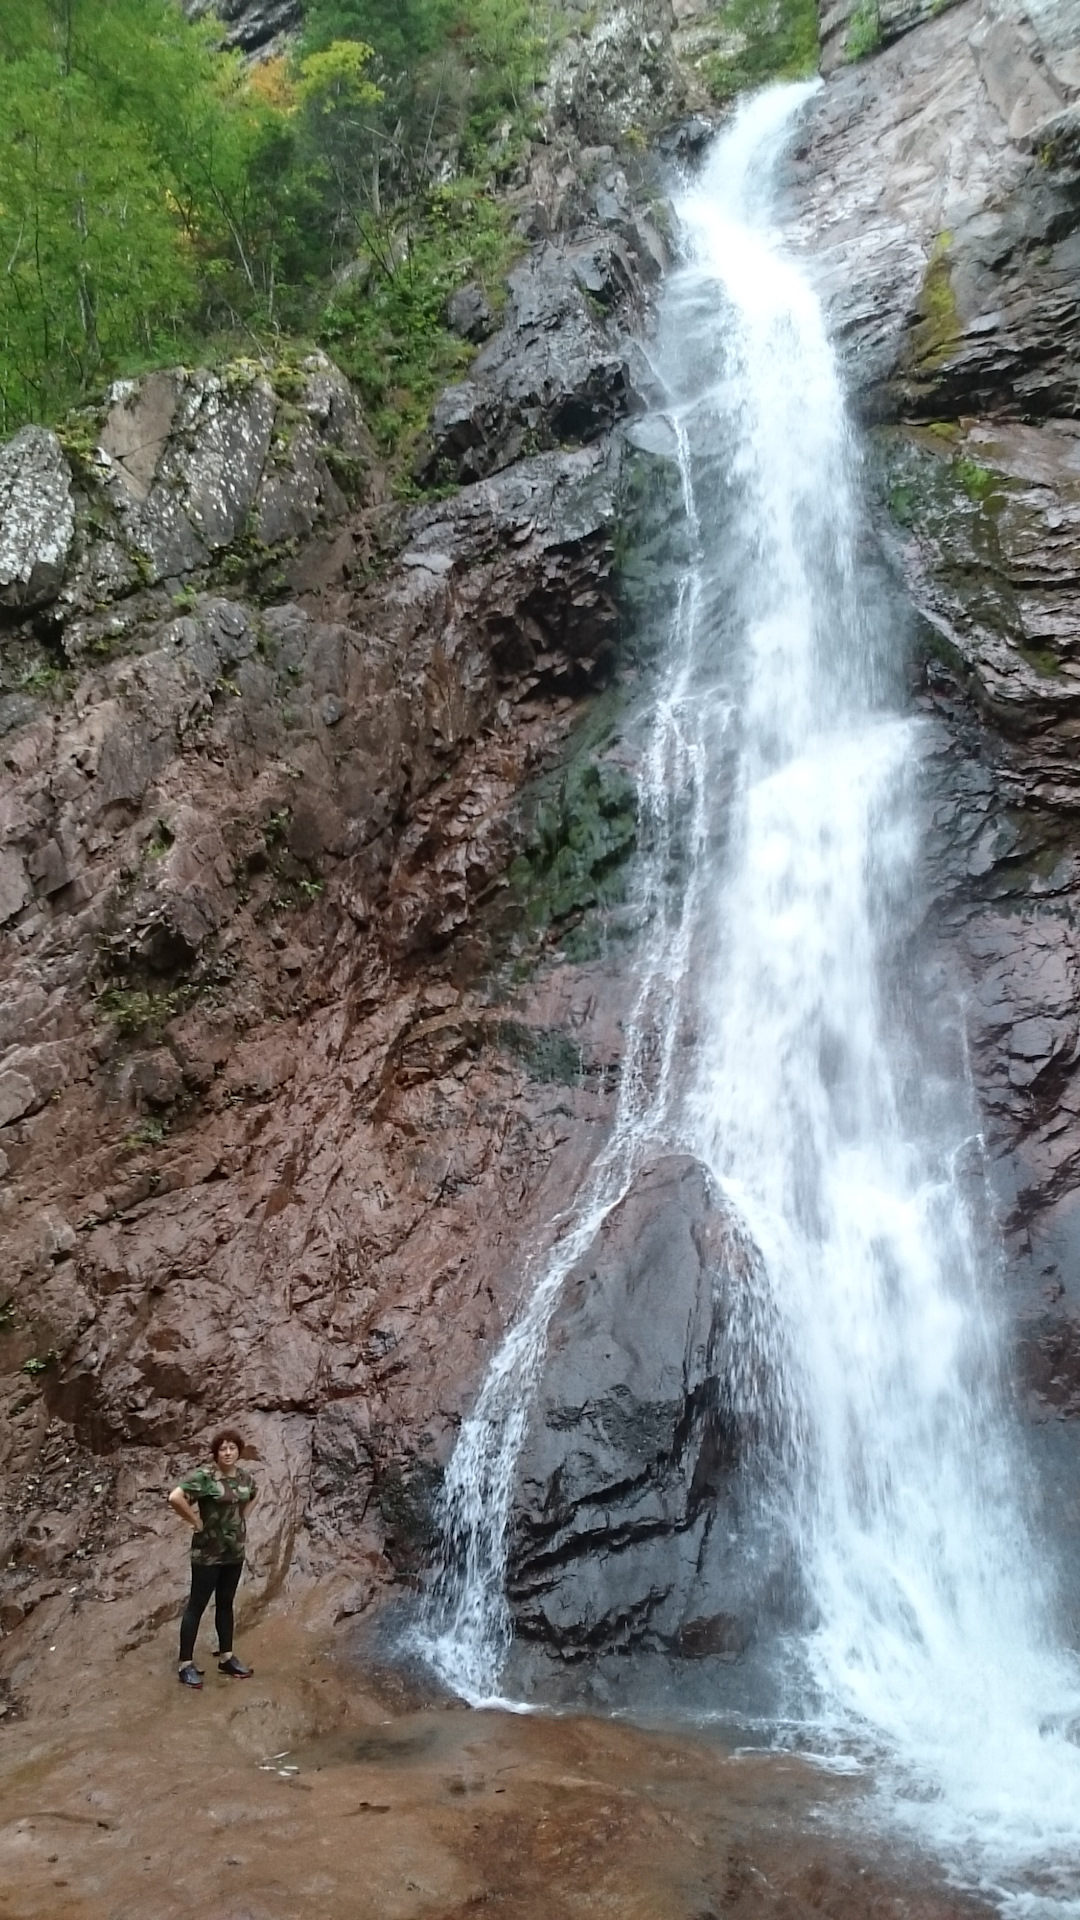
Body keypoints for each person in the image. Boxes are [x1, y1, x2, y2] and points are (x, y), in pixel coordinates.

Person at [168, 1428, 257, 1689]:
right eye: (223, 1448)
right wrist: (195, 1521)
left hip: (234, 1551)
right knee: (197, 1605)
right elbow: (175, 1497)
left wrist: (242, 1517)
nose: (228, 1452)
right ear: (216, 1453)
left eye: (232, 1448)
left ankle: (226, 1657)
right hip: (208, 1552)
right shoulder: (205, 1477)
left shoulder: (243, 1477)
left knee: (226, 1602)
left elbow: (253, 1493)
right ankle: (186, 1664)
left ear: (239, 1450)